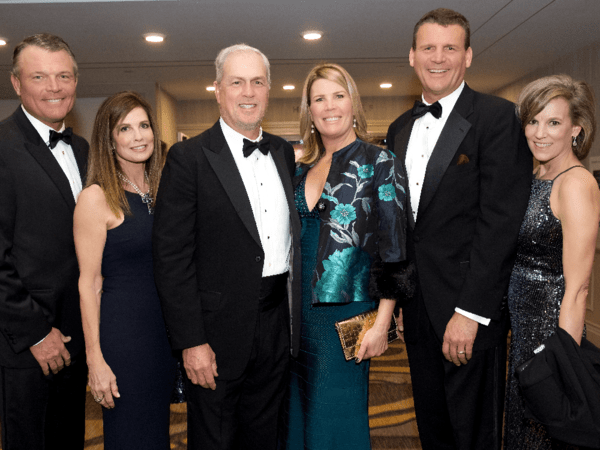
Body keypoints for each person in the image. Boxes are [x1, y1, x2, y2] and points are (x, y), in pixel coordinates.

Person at [386, 8, 533, 449]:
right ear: (412, 56)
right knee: (433, 428)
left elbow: (500, 224)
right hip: (417, 311)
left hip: (468, 311)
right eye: (429, 48)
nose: (438, 57)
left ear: (468, 56)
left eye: (450, 48)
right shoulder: (398, 129)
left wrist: (469, 314)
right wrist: (394, 299)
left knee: (473, 435)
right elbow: (400, 226)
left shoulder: (498, 117)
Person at [152, 44, 301, 450]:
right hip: (214, 333)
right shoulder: (188, 158)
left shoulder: (284, 153)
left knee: (266, 434)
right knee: (214, 439)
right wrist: (190, 341)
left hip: (275, 324)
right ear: (218, 90)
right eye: (237, 82)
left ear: (269, 91)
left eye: (257, 82)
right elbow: (171, 258)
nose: (248, 92)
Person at [280, 63, 409, 449]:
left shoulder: (379, 161)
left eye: (338, 95)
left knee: (334, 417)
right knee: (297, 415)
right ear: (309, 110)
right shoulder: (300, 169)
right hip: (294, 312)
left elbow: (396, 247)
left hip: (345, 315)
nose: (329, 106)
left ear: (353, 103)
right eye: (319, 98)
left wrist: (383, 321)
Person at [0, 34, 88, 450]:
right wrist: (36, 333)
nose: (54, 87)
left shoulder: (86, 150)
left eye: (63, 76)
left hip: (78, 335)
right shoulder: (2, 146)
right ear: (17, 83)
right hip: (26, 343)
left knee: (68, 437)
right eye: (39, 76)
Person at [74, 91, 175, 448]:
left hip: (164, 336)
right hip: (125, 340)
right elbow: (88, 284)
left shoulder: (165, 190)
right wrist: (95, 359)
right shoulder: (96, 197)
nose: (138, 136)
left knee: (158, 435)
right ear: (109, 138)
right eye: (125, 128)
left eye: (144, 125)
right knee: (131, 437)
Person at [503, 75, 599, 449]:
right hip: (523, 336)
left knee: (544, 436)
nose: (540, 133)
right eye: (533, 121)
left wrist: (562, 366)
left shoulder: (575, 183)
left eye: (554, 122)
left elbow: (577, 289)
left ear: (576, 129)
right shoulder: (536, 175)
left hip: (551, 339)